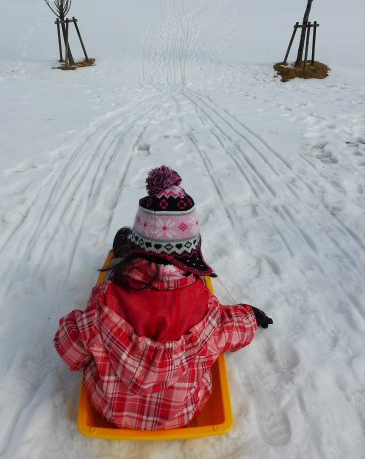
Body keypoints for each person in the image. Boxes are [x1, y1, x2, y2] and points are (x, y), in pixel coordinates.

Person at [54, 166, 272, 430]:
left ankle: (129, 256)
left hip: (111, 408)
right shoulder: (203, 307)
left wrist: (81, 330)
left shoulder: (106, 304)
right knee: (203, 314)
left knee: (106, 314)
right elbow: (228, 328)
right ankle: (166, 267)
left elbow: (69, 350)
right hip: (183, 411)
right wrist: (250, 316)